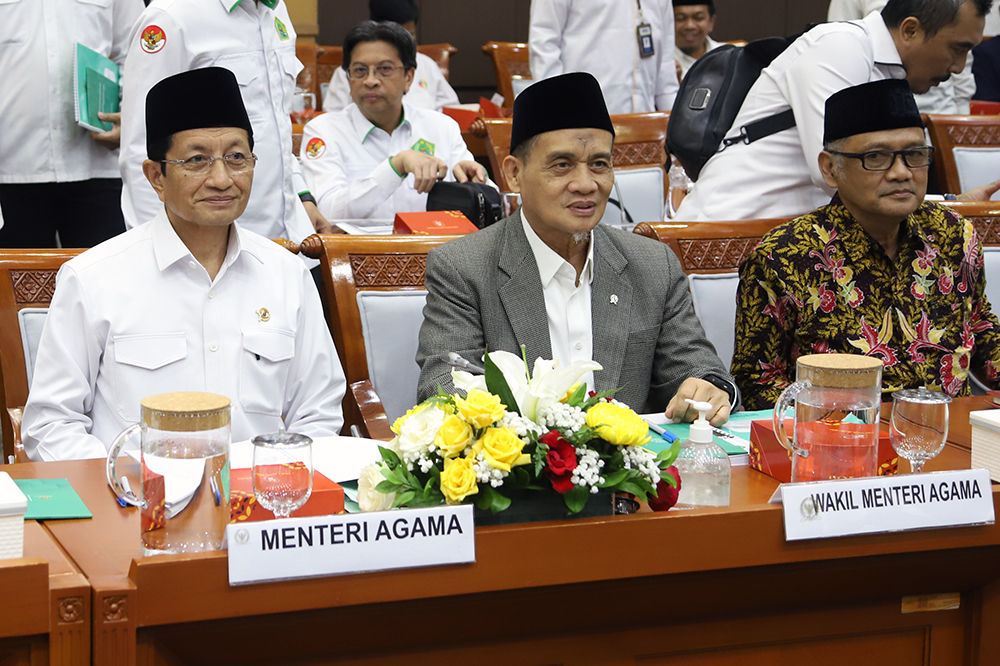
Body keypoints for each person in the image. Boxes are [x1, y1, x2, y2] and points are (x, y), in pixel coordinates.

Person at [22, 68, 347, 462]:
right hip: (136, 507)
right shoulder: (94, 279)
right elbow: (51, 426)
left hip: (258, 503)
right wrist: (133, 485)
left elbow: (319, 412)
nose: (222, 179)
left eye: (236, 157)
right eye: (197, 160)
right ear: (155, 176)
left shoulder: (287, 274)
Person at [416, 72, 738, 425]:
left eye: (599, 164)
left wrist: (707, 387)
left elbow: (698, 369)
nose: (586, 184)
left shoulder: (651, 265)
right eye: (562, 165)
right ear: (513, 174)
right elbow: (445, 388)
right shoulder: (464, 267)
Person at [732, 79, 1000, 410]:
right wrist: (836, 428)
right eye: (876, 157)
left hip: (947, 434)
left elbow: (980, 328)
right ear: (831, 169)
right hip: (841, 444)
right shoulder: (783, 257)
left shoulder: (954, 236)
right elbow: (758, 383)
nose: (901, 173)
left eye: (914, 155)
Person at [676, 0, 991, 222]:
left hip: (793, 242)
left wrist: (948, 205)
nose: (959, 67)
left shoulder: (888, 71)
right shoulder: (840, 46)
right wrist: (949, 208)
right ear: (910, 30)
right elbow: (839, 175)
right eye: (958, 48)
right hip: (723, 237)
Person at [118, 0, 330, 244]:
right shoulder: (172, 16)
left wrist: (302, 196)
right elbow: (141, 151)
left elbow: (277, 124)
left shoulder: (275, 8)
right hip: (210, 243)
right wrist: (154, 250)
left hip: (293, 233)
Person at [300, 21, 486, 222]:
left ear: (409, 77)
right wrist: (396, 166)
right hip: (356, 251)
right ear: (348, 78)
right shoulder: (324, 130)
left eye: (384, 69)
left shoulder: (441, 127)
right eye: (360, 70)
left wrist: (477, 180)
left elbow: (486, 201)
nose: (370, 80)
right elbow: (328, 213)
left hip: (432, 250)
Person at [0, 0, 143, 248]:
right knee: (16, 283)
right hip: (11, 168)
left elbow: (136, 53)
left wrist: (128, 117)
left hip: (97, 165)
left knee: (106, 280)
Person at [828, 0, 978, 115]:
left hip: (941, 113)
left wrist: (962, 117)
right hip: (879, 115)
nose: (958, 68)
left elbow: (961, 53)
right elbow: (840, 46)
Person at [529, 0, 679, 114]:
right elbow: (544, 44)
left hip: (645, 120)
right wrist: (560, 113)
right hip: (580, 116)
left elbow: (665, 63)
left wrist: (674, 125)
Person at [322, 0, 459, 114]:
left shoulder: (426, 64)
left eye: (410, 35)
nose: (371, 81)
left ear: (409, 77)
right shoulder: (348, 71)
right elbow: (333, 117)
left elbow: (452, 110)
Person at [674, 0, 722, 79]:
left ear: (711, 22)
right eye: (680, 18)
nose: (690, 26)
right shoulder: (662, 63)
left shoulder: (729, 56)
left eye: (698, 18)